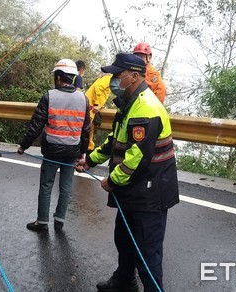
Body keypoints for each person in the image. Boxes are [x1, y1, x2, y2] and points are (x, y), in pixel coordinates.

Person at [75, 53, 179, 291]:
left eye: (116, 75)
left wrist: (112, 180)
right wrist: (89, 160)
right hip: (134, 191)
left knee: (146, 252)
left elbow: (137, 158)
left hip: (149, 193)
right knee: (124, 239)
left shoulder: (146, 108)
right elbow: (116, 142)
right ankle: (124, 279)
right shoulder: (130, 104)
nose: (112, 80)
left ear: (133, 76)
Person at [18, 58, 91, 232]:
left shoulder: (49, 96)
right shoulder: (83, 99)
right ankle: (60, 219)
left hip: (52, 149)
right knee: (65, 186)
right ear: (72, 77)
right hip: (72, 150)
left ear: (58, 77)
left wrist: (23, 146)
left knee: (46, 185)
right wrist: (82, 153)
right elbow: (86, 129)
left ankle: (42, 222)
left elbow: (35, 126)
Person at [84, 73, 112, 154]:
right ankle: (86, 153)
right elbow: (98, 88)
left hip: (90, 107)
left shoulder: (105, 78)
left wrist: (100, 106)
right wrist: (97, 104)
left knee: (89, 131)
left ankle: (88, 149)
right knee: (87, 132)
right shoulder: (108, 78)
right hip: (91, 107)